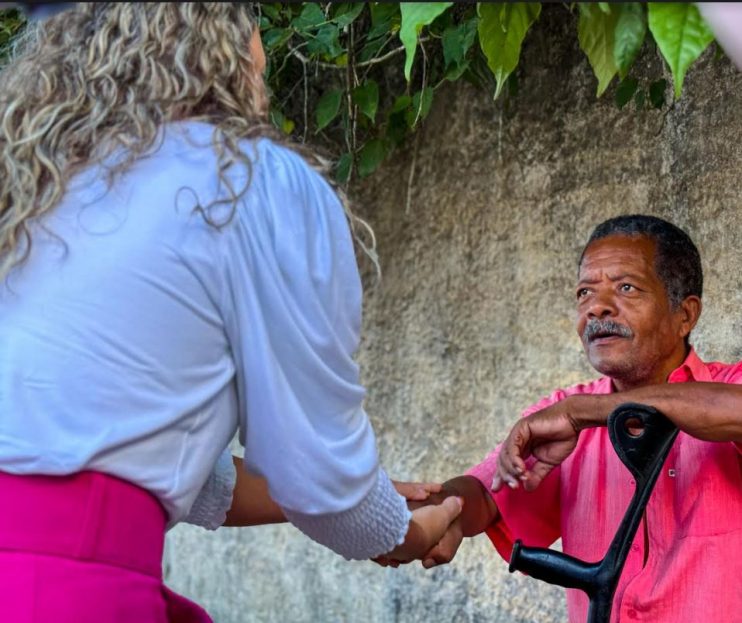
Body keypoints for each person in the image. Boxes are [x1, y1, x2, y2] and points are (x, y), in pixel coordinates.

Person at [0, 4, 462, 622]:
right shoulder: (243, 181)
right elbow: (318, 473)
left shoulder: (32, 179)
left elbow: (138, 450)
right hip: (58, 592)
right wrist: (400, 528)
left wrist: (362, 496)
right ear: (221, 41)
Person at [403, 215, 742, 622]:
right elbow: (484, 492)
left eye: (626, 287)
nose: (596, 307)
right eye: (584, 292)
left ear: (684, 315)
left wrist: (585, 413)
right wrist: (434, 513)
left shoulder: (726, 389)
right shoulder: (563, 413)